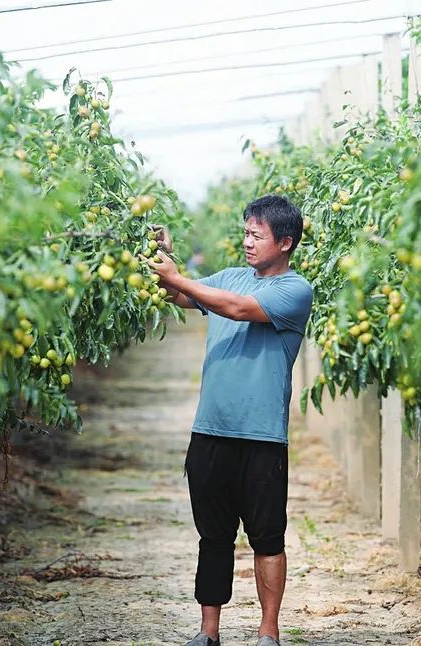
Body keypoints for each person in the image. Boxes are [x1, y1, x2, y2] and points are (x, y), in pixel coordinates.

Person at [145, 195, 313, 646]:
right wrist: (164, 259)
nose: (248, 242)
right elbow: (183, 294)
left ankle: (268, 632)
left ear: (285, 242)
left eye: (257, 235)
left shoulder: (295, 291)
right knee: (213, 535)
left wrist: (182, 278)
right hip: (210, 431)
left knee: (267, 537)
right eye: (246, 233)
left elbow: (237, 308)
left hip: (261, 437)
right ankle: (208, 632)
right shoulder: (231, 277)